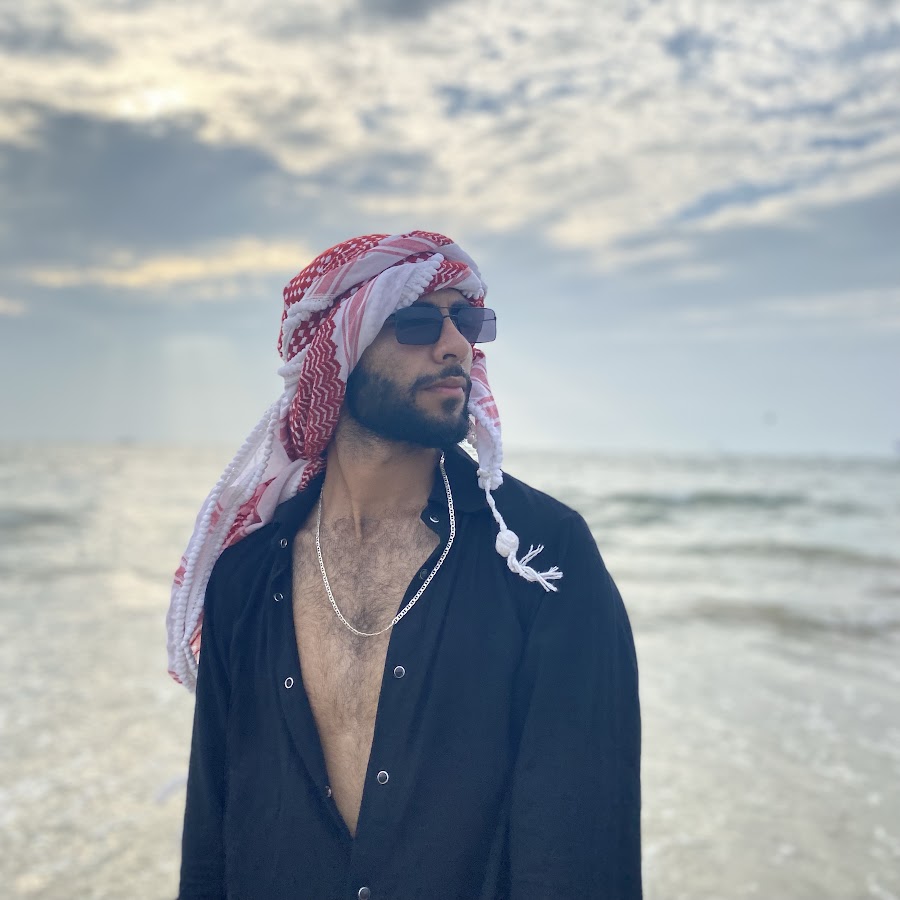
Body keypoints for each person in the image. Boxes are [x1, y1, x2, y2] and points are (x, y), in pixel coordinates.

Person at [169, 231, 641, 899]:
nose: (455, 346)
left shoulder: (542, 556)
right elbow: (210, 842)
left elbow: (581, 842)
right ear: (338, 354)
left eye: (467, 321)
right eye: (418, 322)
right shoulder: (246, 579)